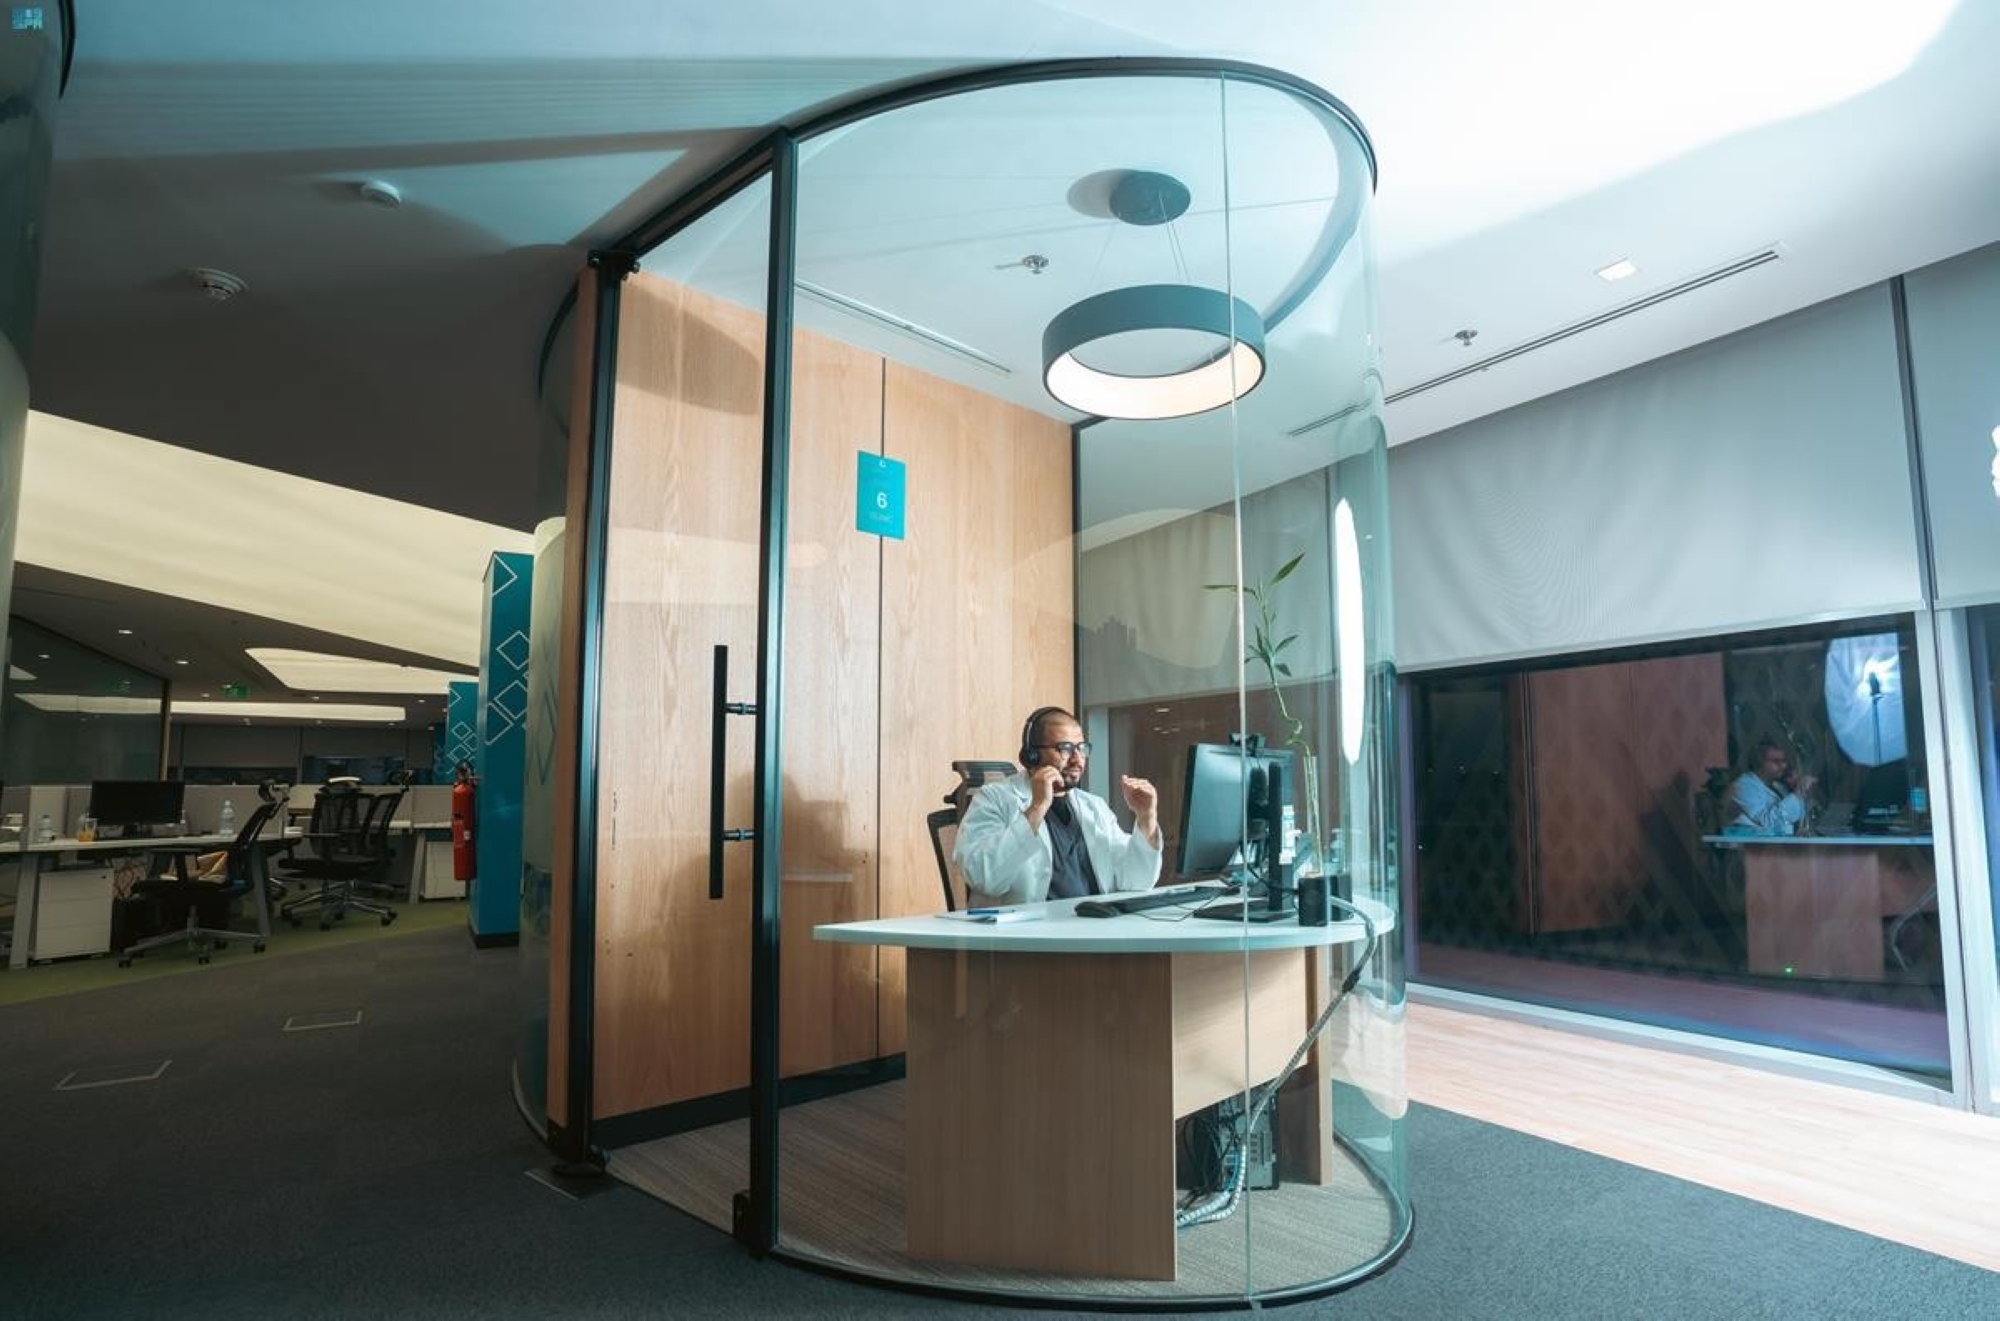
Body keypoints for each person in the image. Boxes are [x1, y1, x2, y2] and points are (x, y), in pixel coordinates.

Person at [952, 706, 1162, 904]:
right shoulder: (993, 799)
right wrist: (1037, 808)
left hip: (1093, 923)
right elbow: (984, 878)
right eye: (1065, 748)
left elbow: (1136, 882)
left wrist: (1146, 818)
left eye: (1081, 748)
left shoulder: (1093, 806)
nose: (1077, 759)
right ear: (1032, 755)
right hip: (1029, 928)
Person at [1728, 740, 1816, 836]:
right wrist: (1798, 791)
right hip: (1753, 844)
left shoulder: (1778, 786)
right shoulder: (1744, 786)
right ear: (1760, 762)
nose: (1783, 766)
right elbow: (1766, 823)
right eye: (1776, 761)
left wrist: (1799, 791)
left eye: (1784, 761)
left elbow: (1793, 820)